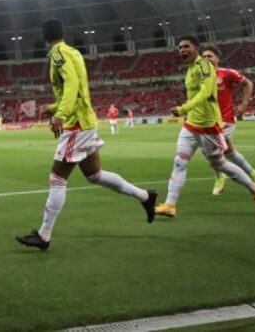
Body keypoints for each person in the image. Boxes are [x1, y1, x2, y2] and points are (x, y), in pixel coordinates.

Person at [15, 19, 157, 252]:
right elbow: (77, 88)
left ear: (43, 36)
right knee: (95, 175)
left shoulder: (58, 54)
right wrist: (53, 108)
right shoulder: (74, 52)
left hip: (76, 123)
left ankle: (44, 235)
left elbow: (71, 83)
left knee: (57, 178)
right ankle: (145, 196)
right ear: (63, 32)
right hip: (85, 120)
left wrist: (60, 114)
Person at [155, 36, 255, 217]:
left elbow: (205, 93)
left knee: (221, 164)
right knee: (180, 162)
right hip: (191, 125)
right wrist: (188, 112)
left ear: (196, 48)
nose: (182, 50)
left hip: (208, 126)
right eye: (180, 47)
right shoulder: (190, 69)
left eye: (186, 46)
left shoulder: (205, 67)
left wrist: (183, 108)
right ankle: (170, 205)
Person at [201, 45, 255, 195]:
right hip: (207, 120)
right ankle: (252, 173)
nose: (206, 59)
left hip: (224, 120)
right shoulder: (200, 76)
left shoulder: (226, 73)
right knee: (229, 152)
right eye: (204, 57)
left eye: (210, 56)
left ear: (218, 58)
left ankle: (220, 177)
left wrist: (244, 103)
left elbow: (248, 84)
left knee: (209, 150)